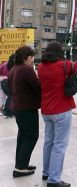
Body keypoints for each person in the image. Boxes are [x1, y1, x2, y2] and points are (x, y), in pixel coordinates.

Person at [38, 42, 77, 187]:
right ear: (60, 53)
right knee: (60, 144)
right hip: (61, 109)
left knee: (48, 142)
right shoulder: (64, 65)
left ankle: (46, 172)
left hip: (46, 110)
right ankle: (53, 178)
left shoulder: (40, 67)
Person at [8, 46, 41, 177]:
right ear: (25, 58)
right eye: (31, 57)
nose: (33, 60)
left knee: (22, 136)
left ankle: (21, 164)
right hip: (27, 108)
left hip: (18, 107)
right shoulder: (27, 70)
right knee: (31, 136)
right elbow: (38, 87)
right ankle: (20, 168)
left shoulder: (13, 69)